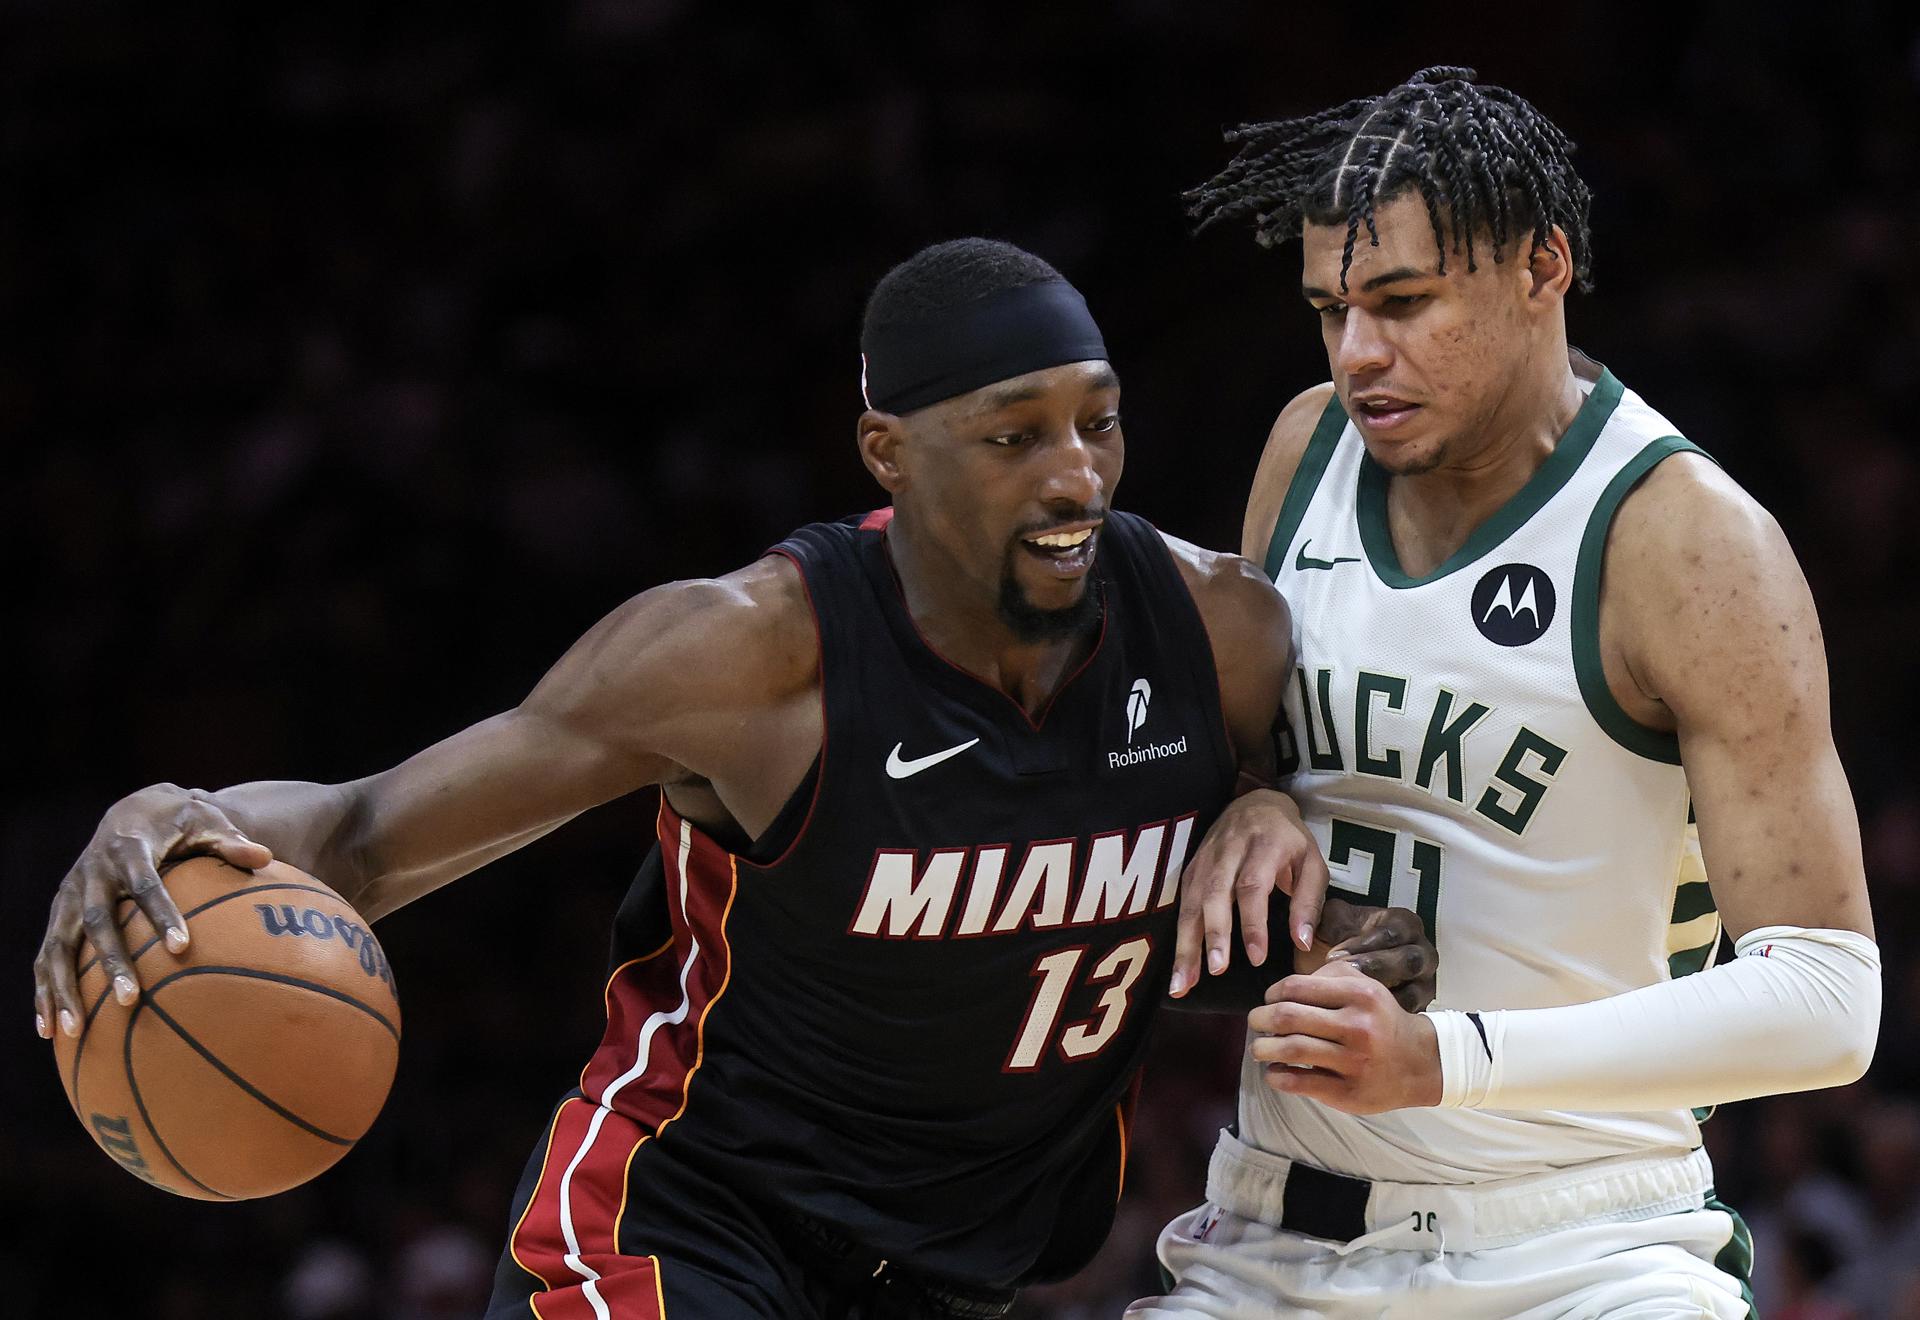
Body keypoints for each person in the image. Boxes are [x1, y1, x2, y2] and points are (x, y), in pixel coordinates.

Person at [33, 238, 1432, 1320]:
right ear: (891, 453)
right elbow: (364, 831)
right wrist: (179, 821)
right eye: (1015, 438)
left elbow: (1307, 875)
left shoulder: (1215, 634)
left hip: (967, 1275)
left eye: (1097, 424)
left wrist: (1269, 802)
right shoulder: (750, 658)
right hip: (685, 1221)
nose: (1075, 474)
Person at [1127, 66, 1882, 1319]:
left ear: (1544, 266)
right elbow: (1248, 770)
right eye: (1332, 309)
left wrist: (1448, 1064)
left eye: (1406, 302)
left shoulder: (1684, 544)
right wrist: (1250, 797)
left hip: (1583, 1246)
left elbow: (1827, 997)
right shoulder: (1302, 453)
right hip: (1273, 1227)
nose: (1360, 353)